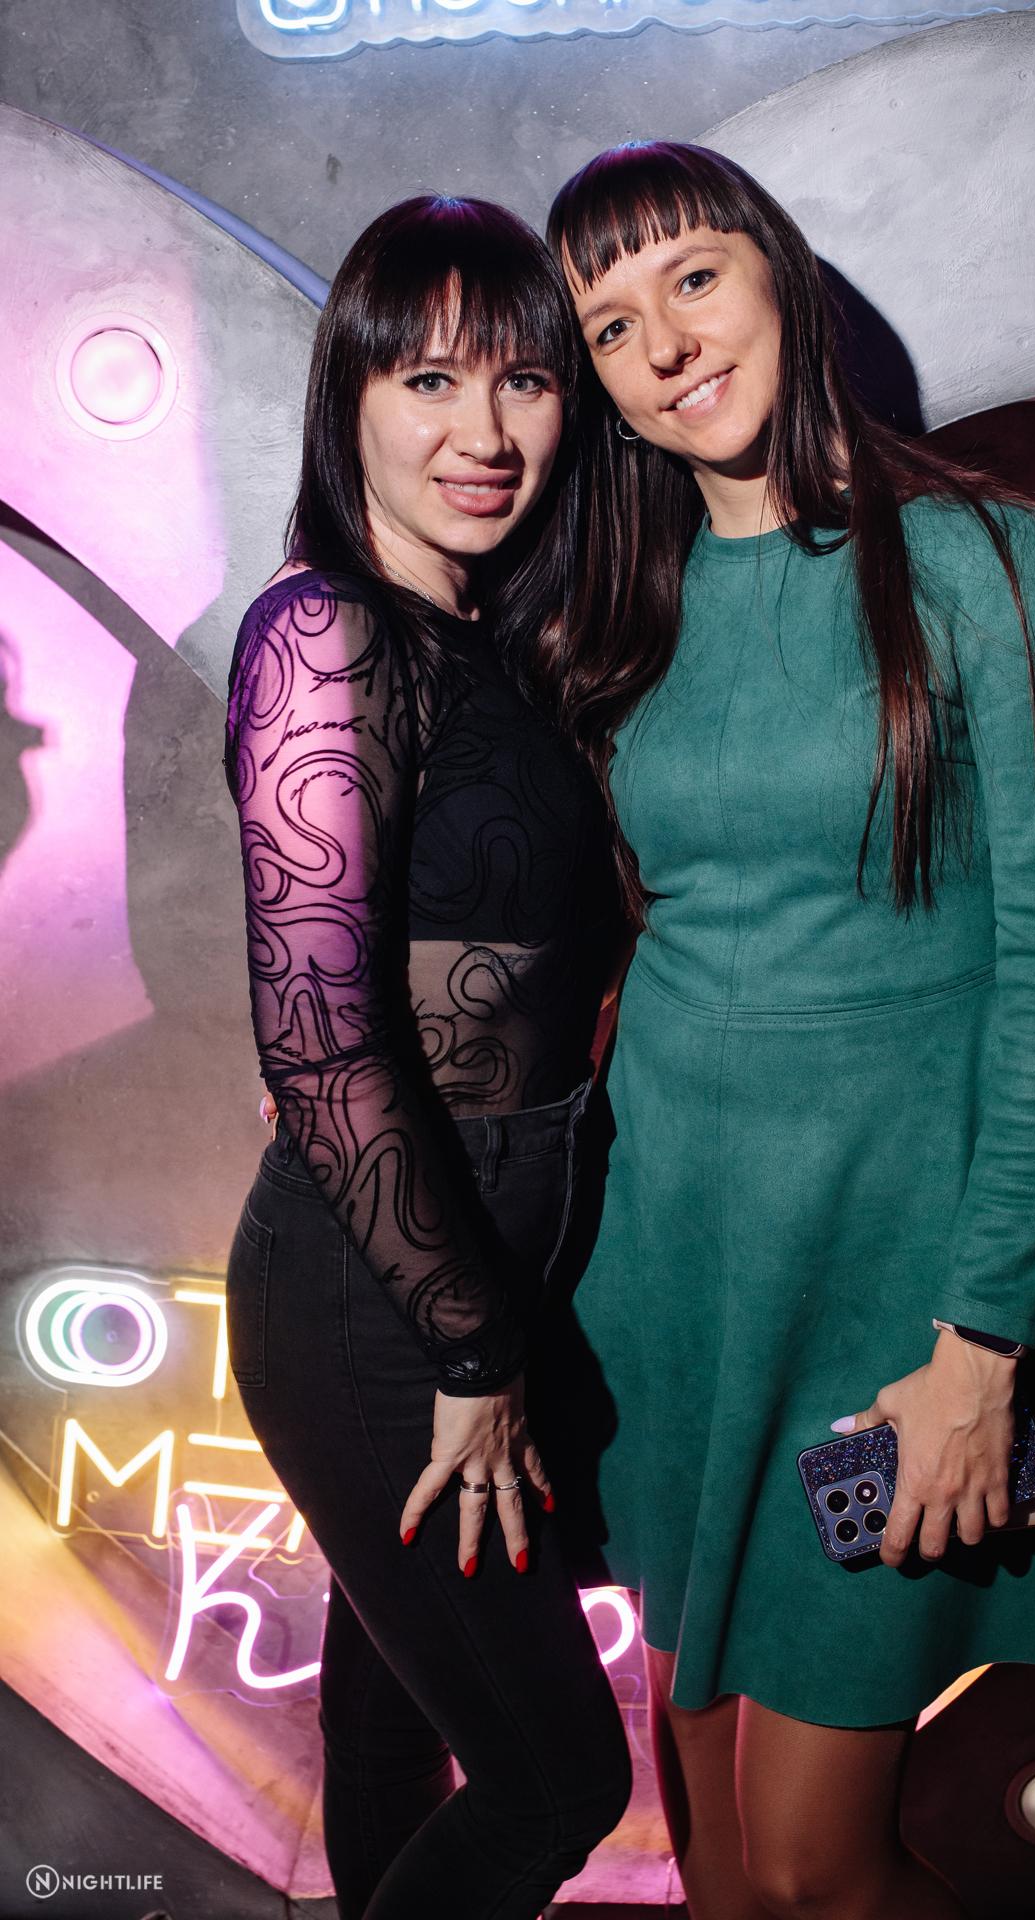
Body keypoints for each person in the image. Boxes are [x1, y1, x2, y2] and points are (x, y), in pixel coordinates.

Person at [542, 142, 1035, 1920]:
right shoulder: (621, 612)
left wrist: (984, 1347)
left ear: (780, 276)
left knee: (814, 1870)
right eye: (610, 325)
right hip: (672, 1295)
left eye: (692, 278)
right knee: (719, 1867)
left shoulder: (988, 563)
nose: (664, 344)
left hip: (902, 1303)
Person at [222, 194, 631, 1920]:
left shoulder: (487, 645)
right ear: (353, 399)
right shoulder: (326, 632)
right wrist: (471, 1341)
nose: (486, 433)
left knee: (396, 1730)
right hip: (386, 1289)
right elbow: (319, 1042)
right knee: (558, 1777)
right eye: (433, 381)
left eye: (526, 382)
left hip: (489, 1245)